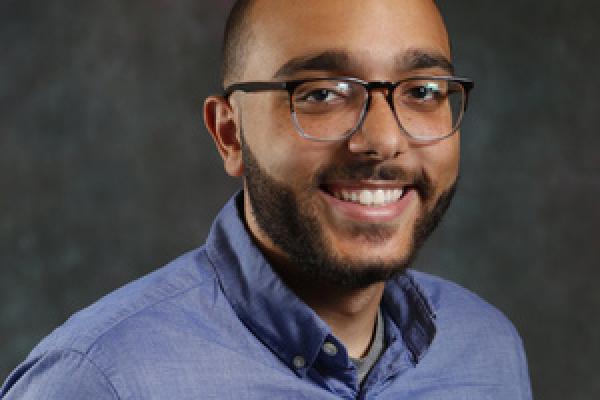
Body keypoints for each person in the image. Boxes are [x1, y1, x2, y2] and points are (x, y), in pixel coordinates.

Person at [1, 0, 532, 398]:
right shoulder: (101, 379)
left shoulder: (487, 349)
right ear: (230, 134)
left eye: (422, 92)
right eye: (321, 94)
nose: (383, 140)